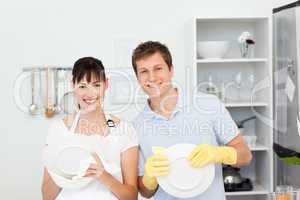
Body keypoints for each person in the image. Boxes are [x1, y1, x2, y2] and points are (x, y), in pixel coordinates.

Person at [131, 41, 252, 200]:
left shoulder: (209, 105)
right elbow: (145, 192)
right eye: (144, 71)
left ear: (171, 70)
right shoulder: (137, 126)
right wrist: (149, 177)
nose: (152, 77)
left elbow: (245, 156)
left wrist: (219, 153)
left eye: (158, 68)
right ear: (138, 78)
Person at [41, 57, 138, 200]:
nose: (90, 93)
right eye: (82, 86)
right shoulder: (58, 130)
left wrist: (103, 176)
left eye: (96, 85)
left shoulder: (124, 130)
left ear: (106, 84)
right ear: (72, 85)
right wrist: (62, 171)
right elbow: (47, 196)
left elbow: (131, 196)